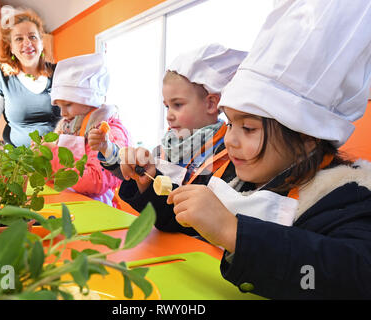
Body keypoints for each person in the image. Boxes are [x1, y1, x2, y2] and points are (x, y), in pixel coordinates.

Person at [167, 0, 371, 299]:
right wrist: (150, 186)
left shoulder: (349, 198)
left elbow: (350, 278)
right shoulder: (241, 175)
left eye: (248, 128)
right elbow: (186, 218)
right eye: (231, 124)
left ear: (306, 138)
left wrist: (236, 234)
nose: (230, 140)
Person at [88, 44, 247, 236]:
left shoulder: (226, 152)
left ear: (211, 104)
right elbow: (131, 173)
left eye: (177, 105)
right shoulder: (169, 145)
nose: (169, 116)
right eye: (167, 106)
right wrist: (107, 149)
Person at [48, 53, 130, 206]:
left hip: (99, 211)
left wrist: (54, 155)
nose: (62, 113)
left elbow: (96, 181)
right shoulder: (68, 127)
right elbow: (56, 177)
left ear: (89, 100)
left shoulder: (107, 132)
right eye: (59, 106)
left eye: (68, 105)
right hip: (71, 202)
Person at [0, 7, 61, 157]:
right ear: (11, 47)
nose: (27, 43)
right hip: (18, 164)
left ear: (41, 42)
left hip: (56, 160)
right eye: (19, 39)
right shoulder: (0, 74)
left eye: (32, 37)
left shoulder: (59, 73)